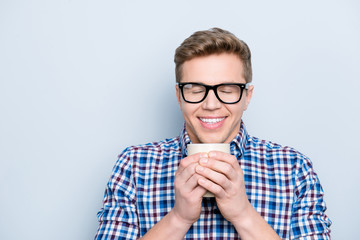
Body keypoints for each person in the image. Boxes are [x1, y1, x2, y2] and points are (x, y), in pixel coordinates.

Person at [95, 28, 331, 239]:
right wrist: (178, 219)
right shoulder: (135, 165)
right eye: (195, 89)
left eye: (227, 90)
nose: (211, 104)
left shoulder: (294, 168)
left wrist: (244, 215)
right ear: (179, 96)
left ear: (247, 96)